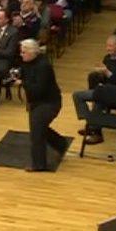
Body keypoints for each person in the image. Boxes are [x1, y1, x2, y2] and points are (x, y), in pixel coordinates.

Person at [13, 39, 68, 171]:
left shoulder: (43, 66)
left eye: (24, 52)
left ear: (32, 53)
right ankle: (61, 144)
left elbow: (39, 89)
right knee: (39, 128)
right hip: (36, 102)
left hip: (49, 102)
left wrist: (22, 83)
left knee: (37, 132)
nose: (21, 55)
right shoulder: (28, 62)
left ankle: (39, 164)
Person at [71, 35, 116, 145]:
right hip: (104, 91)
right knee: (77, 95)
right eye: (107, 45)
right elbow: (104, 77)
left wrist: (107, 73)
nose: (107, 48)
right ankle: (92, 124)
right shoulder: (107, 58)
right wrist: (99, 75)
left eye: (110, 46)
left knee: (99, 102)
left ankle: (95, 130)